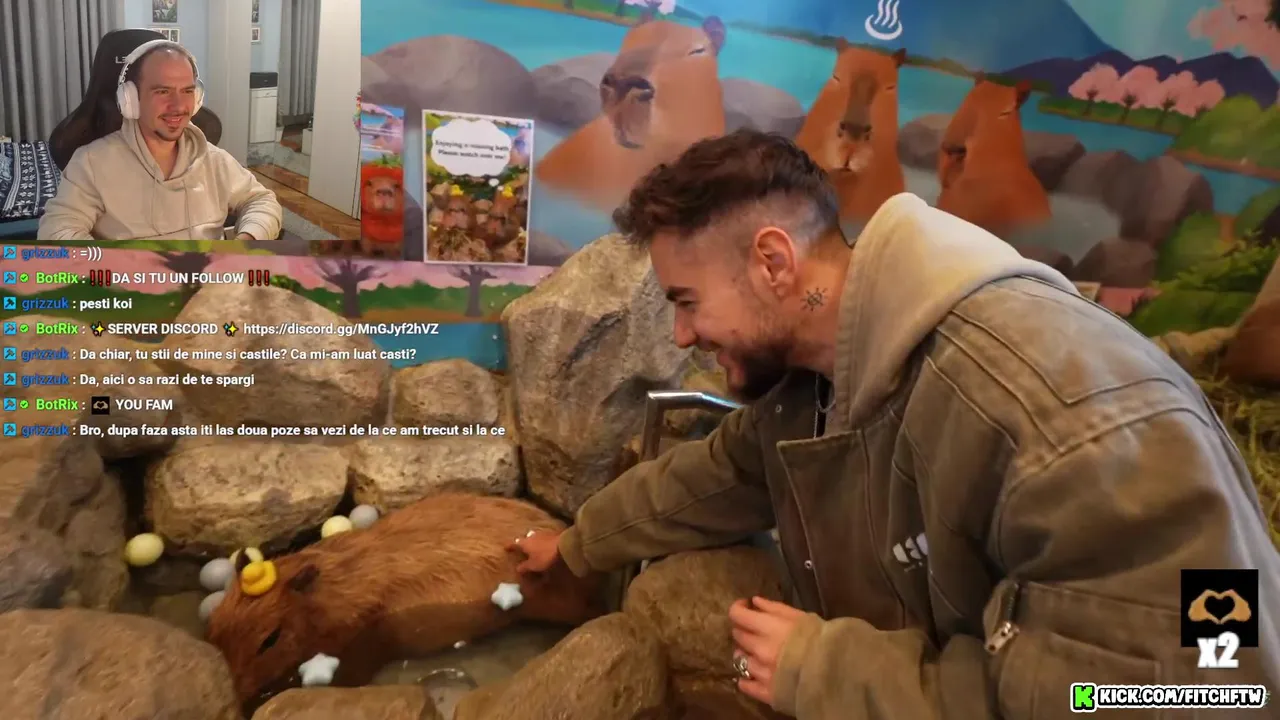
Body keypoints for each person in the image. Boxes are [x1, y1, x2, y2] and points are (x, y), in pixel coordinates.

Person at [509, 129, 1279, 718]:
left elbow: (1198, 690)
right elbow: (721, 473)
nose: (681, 337)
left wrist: (831, 672)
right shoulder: (818, 370)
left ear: (773, 263)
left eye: (687, 302)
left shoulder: (1061, 415)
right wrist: (577, 548)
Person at [39, 39, 281, 241]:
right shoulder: (92, 163)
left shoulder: (214, 160)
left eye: (187, 91)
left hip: (211, 280)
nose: (178, 106)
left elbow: (262, 201)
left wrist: (246, 241)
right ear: (130, 99)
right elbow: (57, 230)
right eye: (163, 91)